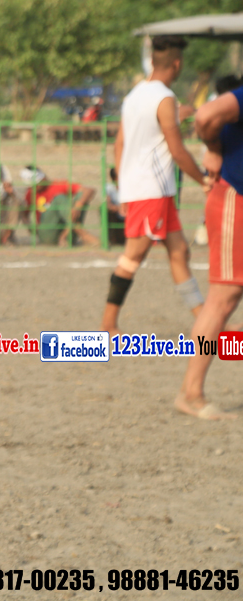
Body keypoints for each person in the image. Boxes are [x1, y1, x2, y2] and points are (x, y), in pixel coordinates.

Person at [100, 36, 206, 336]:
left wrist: (123, 188)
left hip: (151, 190)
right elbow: (178, 150)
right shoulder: (165, 98)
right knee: (133, 257)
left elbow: (119, 145)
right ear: (177, 64)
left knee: (179, 251)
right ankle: (108, 324)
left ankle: (206, 322)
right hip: (151, 191)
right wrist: (204, 180)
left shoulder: (134, 95)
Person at [175, 86, 243, 420]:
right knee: (222, 299)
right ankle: (191, 393)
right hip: (236, 198)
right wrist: (214, 148)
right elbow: (205, 116)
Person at [21, 166, 99, 247]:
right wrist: (34, 231)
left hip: (68, 231)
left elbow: (89, 190)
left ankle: (67, 235)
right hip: (48, 233)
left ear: (43, 178)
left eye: (36, 184)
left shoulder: (58, 185)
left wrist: (78, 206)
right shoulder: (31, 193)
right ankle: (83, 234)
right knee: (59, 199)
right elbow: (24, 214)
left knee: (81, 196)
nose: (33, 187)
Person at [105, 167, 126, 246]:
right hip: (116, 212)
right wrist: (118, 208)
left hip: (127, 212)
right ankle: (111, 240)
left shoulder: (129, 187)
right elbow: (107, 203)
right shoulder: (109, 187)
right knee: (105, 211)